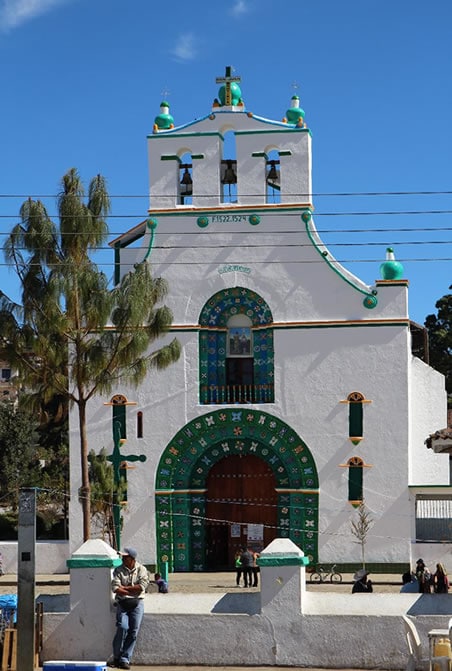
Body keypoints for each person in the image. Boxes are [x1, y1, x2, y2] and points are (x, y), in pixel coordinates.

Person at [109, 547, 149, 670]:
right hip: (123, 603)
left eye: (125, 557)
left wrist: (125, 589)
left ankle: (125, 659)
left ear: (131, 558)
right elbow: (115, 587)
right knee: (122, 627)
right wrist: (131, 589)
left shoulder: (142, 569)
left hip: (137, 603)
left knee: (133, 631)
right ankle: (116, 656)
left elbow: (142, 587)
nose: (123, 559)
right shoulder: (118, 570)